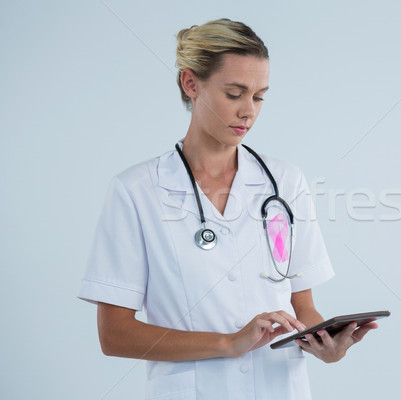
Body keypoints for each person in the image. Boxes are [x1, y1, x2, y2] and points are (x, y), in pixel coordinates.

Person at [78, 18, 377, 399]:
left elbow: (304, 307)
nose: (248, 111)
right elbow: (115, 334)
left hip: (279, 388)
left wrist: (328, 346)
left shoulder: (285, 183)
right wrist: (227, 343)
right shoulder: (136, 190)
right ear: (191, 83)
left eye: (259, 96)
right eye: (234, 93)